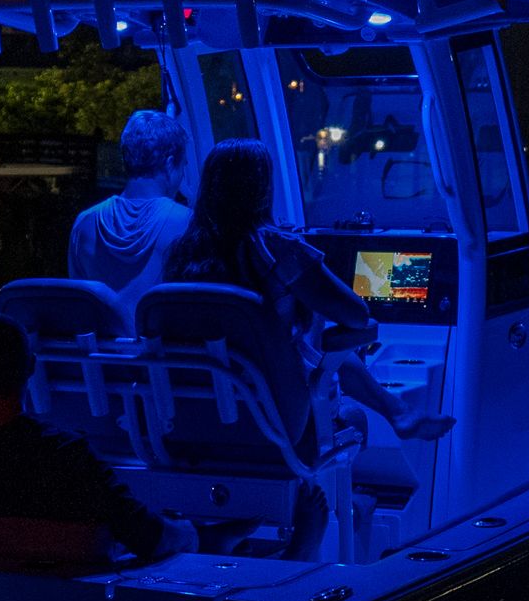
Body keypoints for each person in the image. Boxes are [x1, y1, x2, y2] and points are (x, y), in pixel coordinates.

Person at [0, 314, 262, 560]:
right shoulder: (65, 455)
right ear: (31, 369)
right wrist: (188, 534)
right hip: (61, 598)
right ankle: (215, 539)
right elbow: (146, 537)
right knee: (176, 534)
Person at [159, 138, 455, 442]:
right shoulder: (276, 249)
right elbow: (356, 314)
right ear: (261, 189)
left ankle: (398, 411)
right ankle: (397, 412)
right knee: (321, 343)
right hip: (274, 419)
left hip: (191, 416)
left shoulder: (181, 255)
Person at [68, 110, 192, 305]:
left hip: (102, 337)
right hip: (160, 336)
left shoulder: (85, 223)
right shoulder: (186, 223)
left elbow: (79, 307)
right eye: (183, 166)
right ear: (169, 164)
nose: (183, 177)